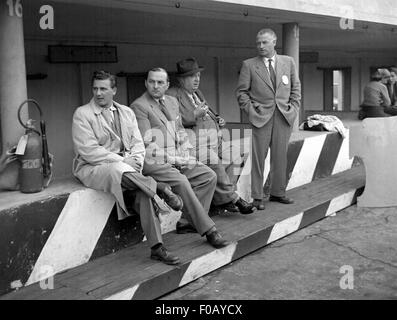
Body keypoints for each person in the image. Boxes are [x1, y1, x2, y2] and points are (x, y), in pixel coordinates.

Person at [72, 70, 186, 265]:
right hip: (94, 167)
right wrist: (122, 161)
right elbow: (89, 151)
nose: (98, 93)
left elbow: (138, 144)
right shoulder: (83, 114)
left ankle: (157, 248)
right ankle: (159, 187)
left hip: (130, 170)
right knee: (118, 169)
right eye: (95, 88)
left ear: (114, 90)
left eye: (103, 89)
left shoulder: (126, 112)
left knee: (143, 195)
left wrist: (136, 161)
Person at [131, 67, 230, 249]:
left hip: (177, 157)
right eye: (151, 81)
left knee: (208, 176)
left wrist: (186, 150)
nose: (155, 86)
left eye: (160, 82)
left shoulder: (171, 101)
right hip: (155, 161)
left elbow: (180, 130)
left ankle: (187, 222)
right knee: (182, 181)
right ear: (146, 83)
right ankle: (209, 230)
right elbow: (147, 145)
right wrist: (175, 159)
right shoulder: (139, 106)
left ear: (167, 85)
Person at [167, 57, 255, 215]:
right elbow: (173, 121)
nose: (197, 79)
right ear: (181, 79)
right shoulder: (172, 95)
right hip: (195, 144)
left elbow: (208, 111)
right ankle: (232, 198)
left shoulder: (197, 93)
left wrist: (217, 119)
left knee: (236, 155)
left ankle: (222, 201)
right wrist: (195, 114)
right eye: (192, 76)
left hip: (215, 140)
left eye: (198, 76)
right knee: (213, 160)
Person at [236, 28, 301, 210]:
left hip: (283, 116)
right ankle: (257, 197)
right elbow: (241, 92)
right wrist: (251, 111)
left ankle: (278, 193)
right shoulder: (249, 65)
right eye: (258, 43)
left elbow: (296, 88)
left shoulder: (288, 62)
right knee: (258, 158)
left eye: (264, 42)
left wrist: (294, 108)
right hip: (260, 117)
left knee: (280, 157)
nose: (261, 46)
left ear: (274, 42)